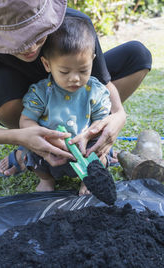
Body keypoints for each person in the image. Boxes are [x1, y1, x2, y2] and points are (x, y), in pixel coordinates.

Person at [0, 0, 152, 177]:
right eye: (17, 40)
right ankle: (30, 147)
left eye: (37, 33)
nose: (31, 47)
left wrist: (118, 117)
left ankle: (87, 138)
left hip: (77, 95)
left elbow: (103, 84)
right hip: (27, 106)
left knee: (138, 55)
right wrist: (20, 136)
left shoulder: (75, 24)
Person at [19, 16, 111, 194]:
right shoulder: (41, 93)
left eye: (83, 70)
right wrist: (45, 137)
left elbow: (101, 120)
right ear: (47, 64)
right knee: (31, 152)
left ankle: (88, 181)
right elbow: (25, 121)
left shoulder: (95, 91)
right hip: (51, 148)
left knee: (100, 156)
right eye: (64, 71)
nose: (75, 78)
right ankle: (46, 180)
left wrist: (88, 135)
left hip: (84, 146)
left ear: (92, 60)